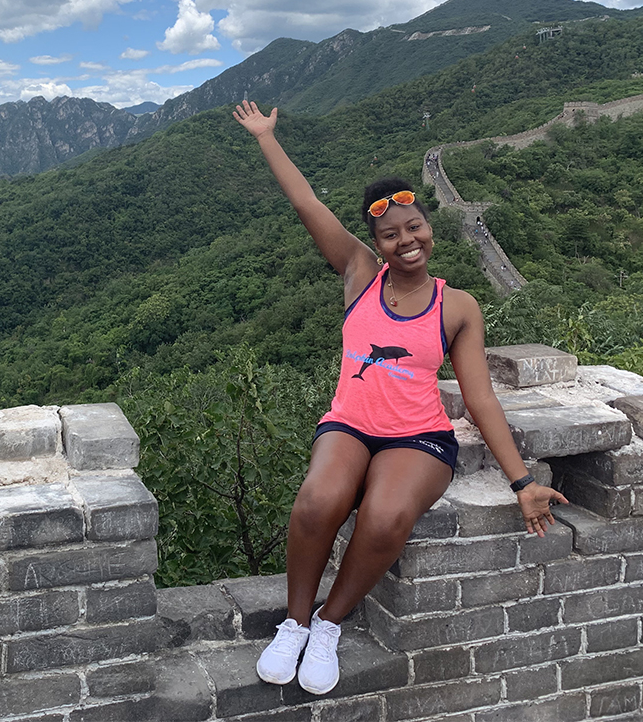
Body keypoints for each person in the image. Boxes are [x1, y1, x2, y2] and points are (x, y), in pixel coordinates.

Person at [232, 100, 567, 695]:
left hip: (419, 437)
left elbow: (481, 399)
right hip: (350, 424)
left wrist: (523, 482)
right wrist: (265, 138)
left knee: (386, 518)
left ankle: (331, 624)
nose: (406, 240)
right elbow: (307, 203)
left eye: (414, 227)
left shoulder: (457, 305)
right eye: (391, 233)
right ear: (376, 242)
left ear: (427, 228)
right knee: (317, 500)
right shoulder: (358, 275)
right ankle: (295, 621)